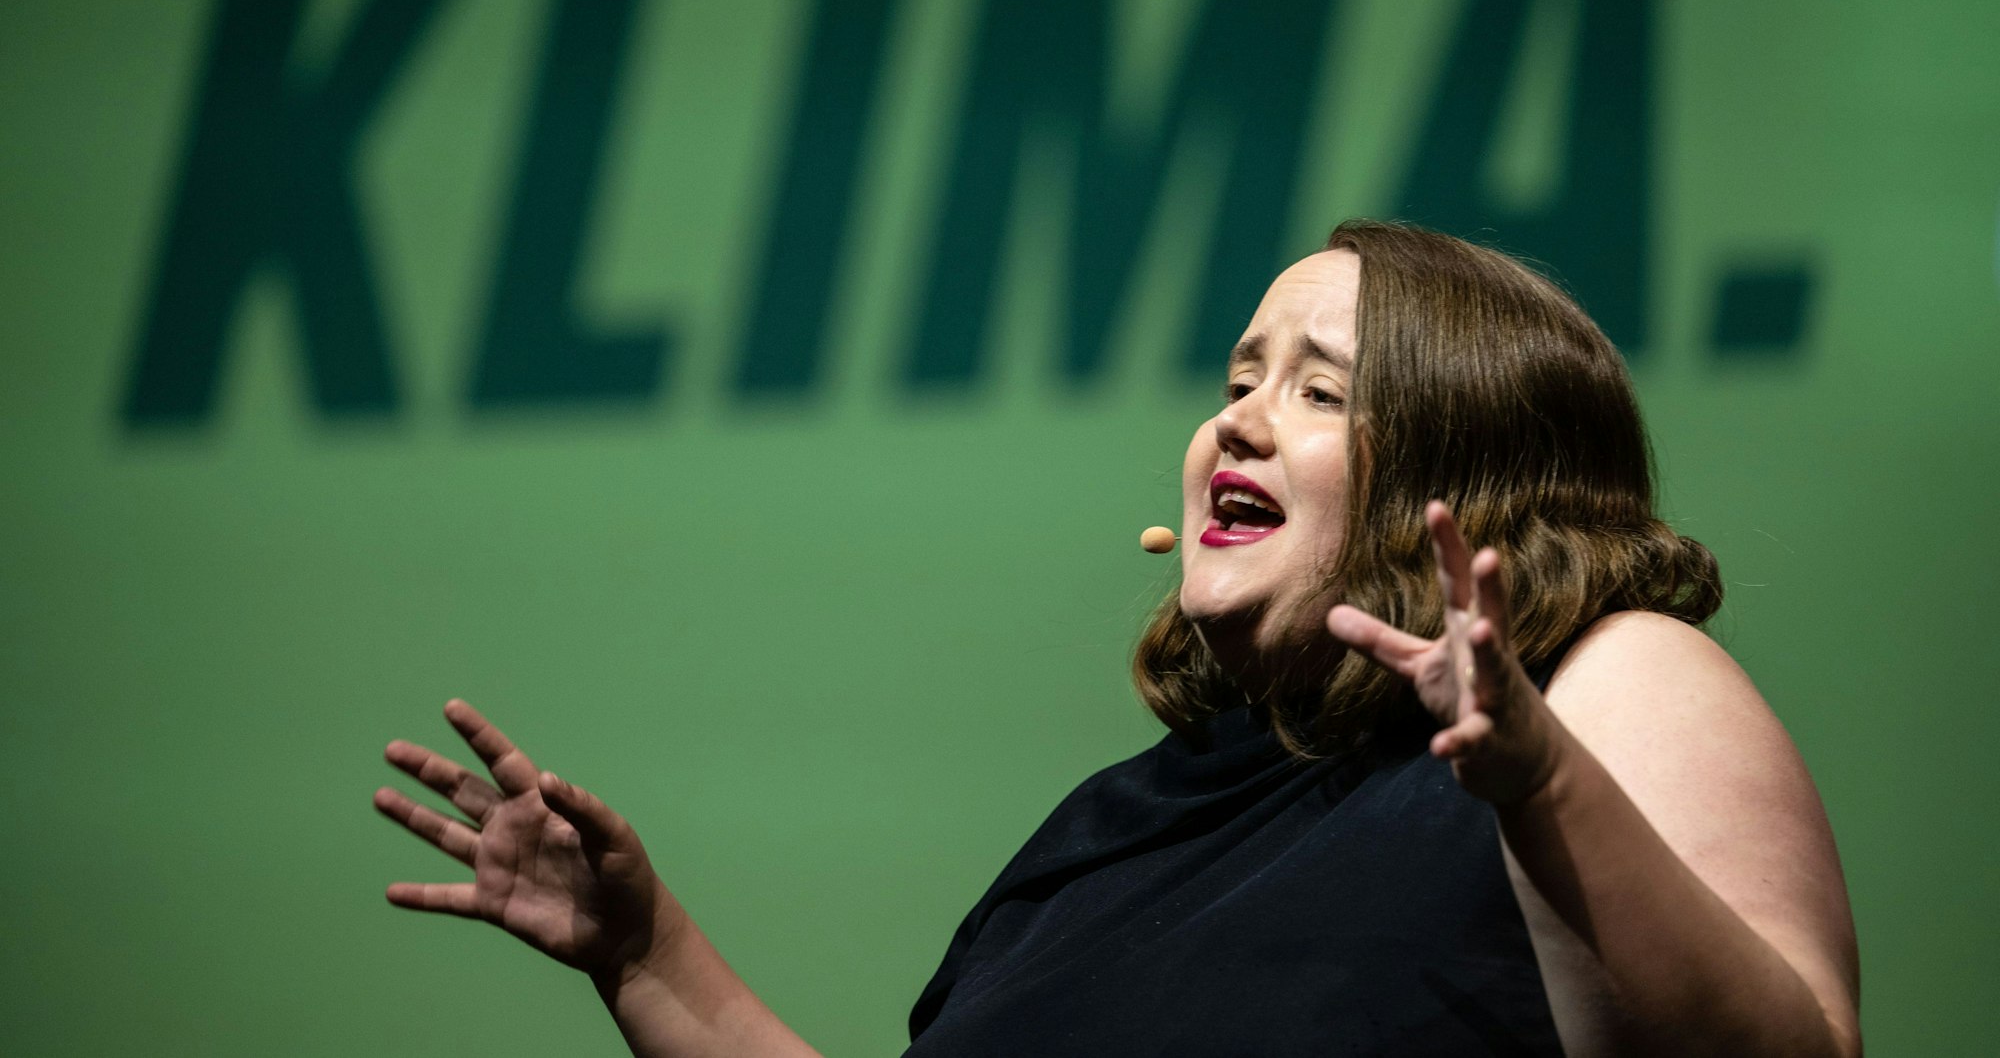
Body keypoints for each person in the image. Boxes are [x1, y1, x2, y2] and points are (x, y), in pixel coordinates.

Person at [373, 220, 1860, 1056]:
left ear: (1460, 477)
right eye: (1238, 375)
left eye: (1322, 390)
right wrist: (649, 956)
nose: (1237, 416)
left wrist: (1542, 781)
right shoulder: (1110, 831)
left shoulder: (1612, 683)